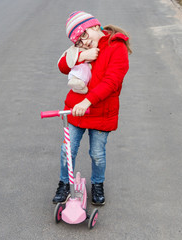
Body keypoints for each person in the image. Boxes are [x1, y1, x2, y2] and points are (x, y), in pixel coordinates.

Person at [52, 11, 132, 206]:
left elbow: (112, 81)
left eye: (84, 36)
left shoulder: (117, 46)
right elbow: (63, 66)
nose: (84, 42)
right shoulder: (82, 49)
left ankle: (98, 184)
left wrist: (87, 101)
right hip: (76, 109)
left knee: (97, 153)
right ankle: (64, 183)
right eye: (78, 40)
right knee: (67, 149)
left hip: (101, 110)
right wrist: (80, 55)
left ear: (95, 26)